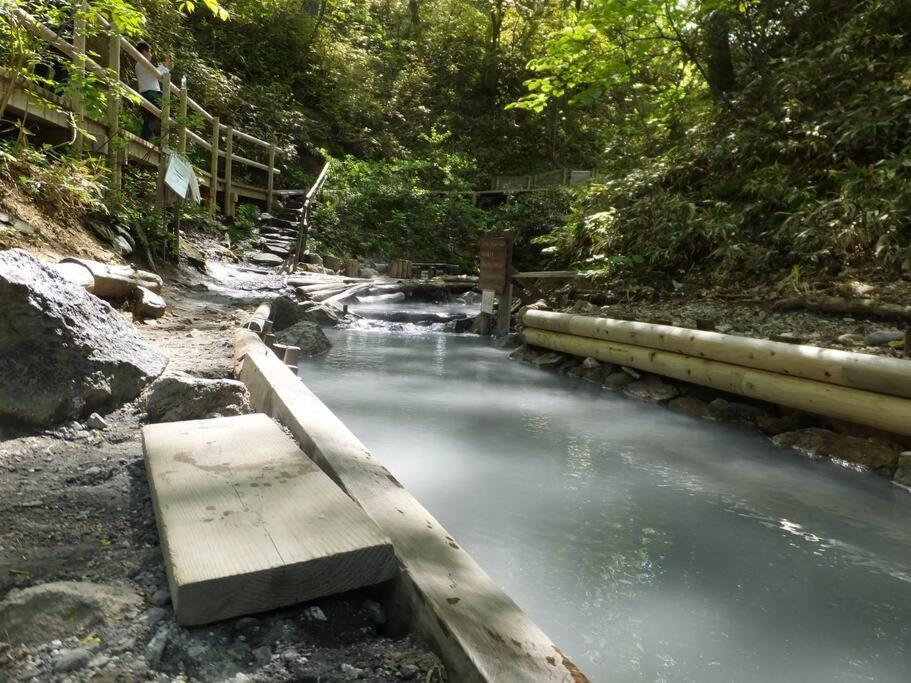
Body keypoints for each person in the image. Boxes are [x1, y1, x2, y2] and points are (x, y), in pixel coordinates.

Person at [135, 42, 173, 142]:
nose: (151, 54)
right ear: (144, 52)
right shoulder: (142, 63)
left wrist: (164, 67)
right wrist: (165, 68)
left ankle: (144, 141)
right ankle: (146, 141)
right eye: (150, 51)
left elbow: (154, 73)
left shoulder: (141, 64)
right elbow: (157, 74)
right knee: (155, 118)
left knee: (151, 120)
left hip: (148, 94)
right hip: (151, 95)